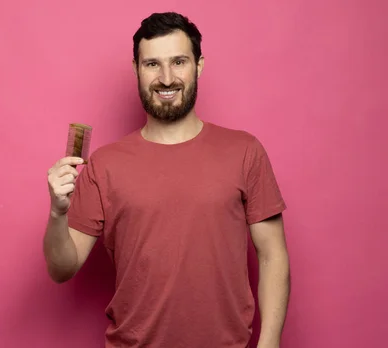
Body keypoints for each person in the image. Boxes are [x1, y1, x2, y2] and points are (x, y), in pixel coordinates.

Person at [43, 11, 290, 348]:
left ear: (199, 65)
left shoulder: (244, 150)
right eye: (152, 64)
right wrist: (57, 214)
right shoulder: (105, 164)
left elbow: (272, 254)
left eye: (179, 62)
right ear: (136, 70)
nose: (167, 78)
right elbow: (62, 269)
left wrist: (270, 342)